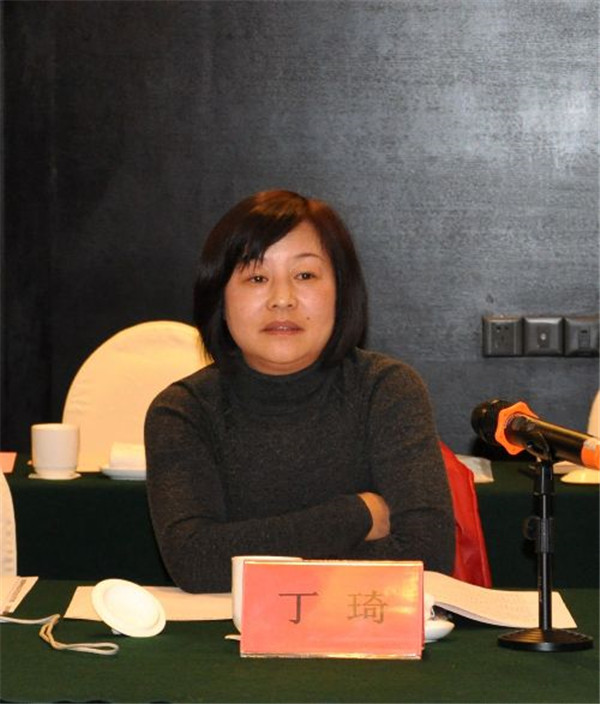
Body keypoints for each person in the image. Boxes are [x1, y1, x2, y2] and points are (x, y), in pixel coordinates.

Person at [145, 189, 454, 593]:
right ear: (219, 295)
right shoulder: (183, 410)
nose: (282, 300)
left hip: (360, 627)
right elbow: (195, 561)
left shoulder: (387, 389)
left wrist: (247, 556)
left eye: (305, 275)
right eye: (257, 278)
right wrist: (357, 515)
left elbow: (428, 555)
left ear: (341, 290)